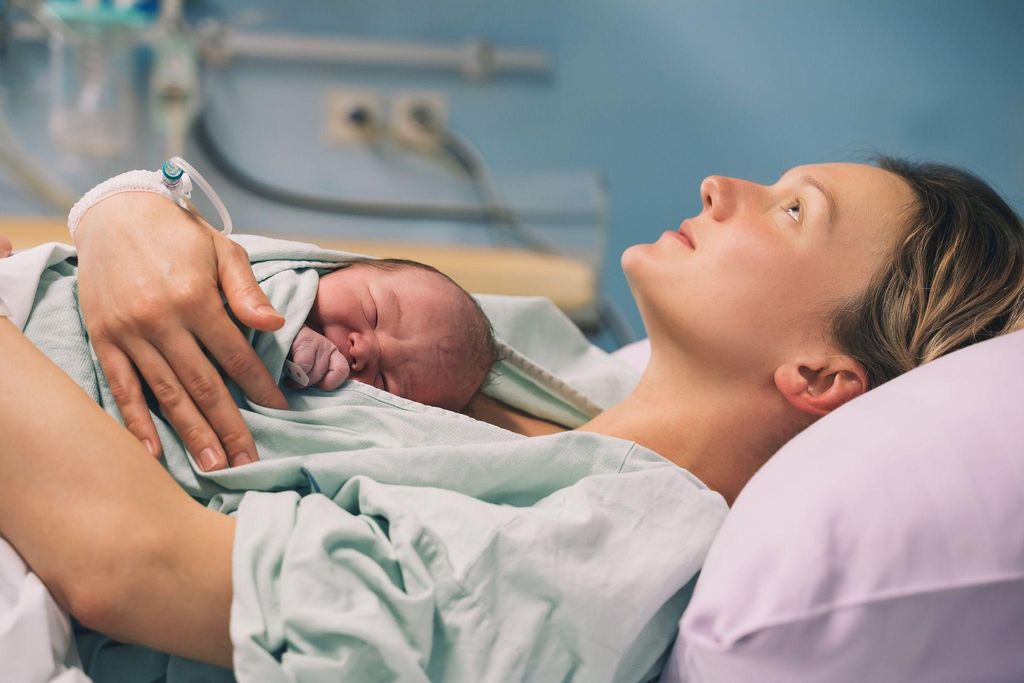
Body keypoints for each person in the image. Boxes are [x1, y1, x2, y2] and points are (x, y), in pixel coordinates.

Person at [0, 158, 1021, 676]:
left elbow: (136, 564)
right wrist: (125, 206)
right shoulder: (554, 367)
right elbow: (223, 273)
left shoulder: (614, 551)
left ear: (821, 372)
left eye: (794, 211)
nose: (723, 185)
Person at [287, 257, 498, 411]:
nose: (362, 350)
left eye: (383, 381)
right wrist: (283, 327)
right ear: (341, 267)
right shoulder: (279, 275)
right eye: (374, 315)